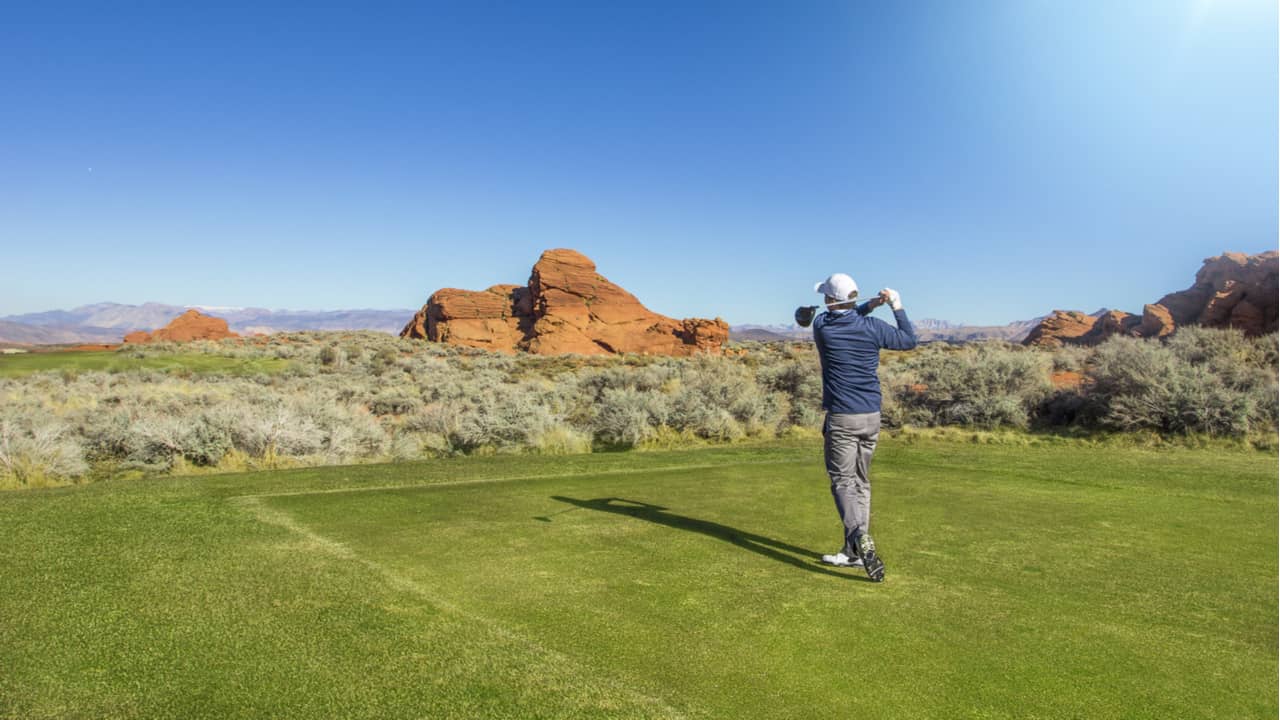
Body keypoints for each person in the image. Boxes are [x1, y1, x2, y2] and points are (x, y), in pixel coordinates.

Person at [809, 272, 916, 582]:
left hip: (842, 418)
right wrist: (894, 305)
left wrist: (870, 304)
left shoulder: (823, 327)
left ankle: (857, 536)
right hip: (871, 416)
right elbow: (909, 339)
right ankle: (852, 552)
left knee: (842, 481)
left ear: (830, 300)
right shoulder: (871, 327)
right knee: (861, 482)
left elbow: (844, 312)